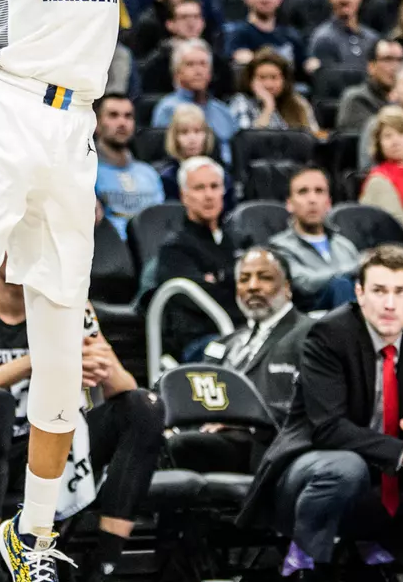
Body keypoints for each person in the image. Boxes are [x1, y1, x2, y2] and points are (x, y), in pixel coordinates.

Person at [238, 246, 403, 582]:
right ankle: (298, 570)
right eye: (379, 291)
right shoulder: (329, 334)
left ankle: (383, 557)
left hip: (379, 467)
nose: (390, 304)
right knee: (346, 467)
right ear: (359, 293)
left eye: (400, 292)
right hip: (308, 466)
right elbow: (328, 428)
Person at [0, 271, 163, 582]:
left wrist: (96, 361)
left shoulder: (66, 304)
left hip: (58, 444)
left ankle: (102, 573)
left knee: (144, 407)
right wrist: (36, 362)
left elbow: (124, 386)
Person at [168, 248, 312, 469]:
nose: (253, 286)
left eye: (264, 277)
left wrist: (244, 421)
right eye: (244, 279)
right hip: (213, 436)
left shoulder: (310, 333)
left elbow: (314, 403)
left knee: (180, 446)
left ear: (287, 288)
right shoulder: (223, 344)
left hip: (267, 442)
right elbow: (195, 399)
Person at [155, 157, 239, 357]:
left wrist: (219, 279)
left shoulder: (236, 240)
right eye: (199, 188)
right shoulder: (175, 248)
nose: (208, 195)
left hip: (239, 333)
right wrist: (230, 282)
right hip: (201, 342)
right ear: (184, 196)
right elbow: (198, 301)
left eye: (214, 186)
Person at [268, 167, 362, 310]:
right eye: (303, 192)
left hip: (353, 311)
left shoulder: (344, 245)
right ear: (289, 204)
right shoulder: (278, 247)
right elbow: (304, 284)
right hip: (309, 319)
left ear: (329, 202)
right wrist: (356, 267)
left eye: (319, 191)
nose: (312, 199)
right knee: (340, 284)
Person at [148, 39, 236, 160]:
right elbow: (166, 154)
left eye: (203, 64)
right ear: (177, 73)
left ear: (210, 73)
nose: (198, 71)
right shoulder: (167, 109)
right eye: (190, 64)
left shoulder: (223, 111)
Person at [92, 93, 163, 239]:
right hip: (108, 254)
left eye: (128, 116)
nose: (122, 122)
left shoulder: (150, 173)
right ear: (97, 123)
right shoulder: (88, 173)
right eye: (113, 115)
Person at [337, 40, 403, 135]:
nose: (395, 66)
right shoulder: (356, 98)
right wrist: (393, 104)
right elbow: (370, 138)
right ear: (371, 66)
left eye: (400, 60)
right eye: (387, 59)